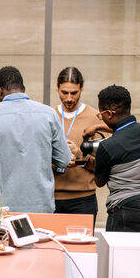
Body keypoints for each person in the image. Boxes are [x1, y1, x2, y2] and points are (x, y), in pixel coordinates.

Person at [0, 66, 71, 213]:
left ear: (0, 90)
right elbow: (64, 160)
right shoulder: (49, 114)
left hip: (2, 210)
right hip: (41, 207)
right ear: (24, 88)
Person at [84, 85, 140, 232]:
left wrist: (92, 163)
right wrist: (100, 127)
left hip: (129, 209)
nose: (102, 118)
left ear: (109, 114)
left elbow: (99, 181)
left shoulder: (107, 147)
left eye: (101, 115)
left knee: (120, 255)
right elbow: (128, 129)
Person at [53, 67, 106, 222]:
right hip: (51, 198)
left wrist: (79, 155)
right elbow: (36, 160)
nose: (69, 98)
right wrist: (57, 161)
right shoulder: (49, 116)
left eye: (74, 93)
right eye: (64, 92)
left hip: (83, 200)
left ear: (82, 87)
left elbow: (104, 166)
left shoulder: (95, 118)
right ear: (57, 87)